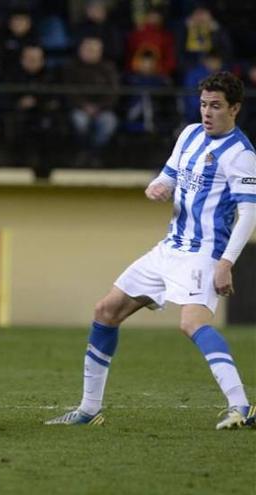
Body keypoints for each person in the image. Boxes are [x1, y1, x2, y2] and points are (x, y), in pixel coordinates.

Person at [46, 71, 256, 430]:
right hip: (168, 248)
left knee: (191, 323)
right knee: (106, 310)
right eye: (204, 104)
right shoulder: (190, 134)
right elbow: (167, 176)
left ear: (235, 109)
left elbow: (249, 213)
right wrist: (157, 187)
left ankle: (242, 406)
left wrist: (226, 262)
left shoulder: (241, 155)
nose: (207, 112)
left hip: (203, 253)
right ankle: (88, 409)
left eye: (216, 106)